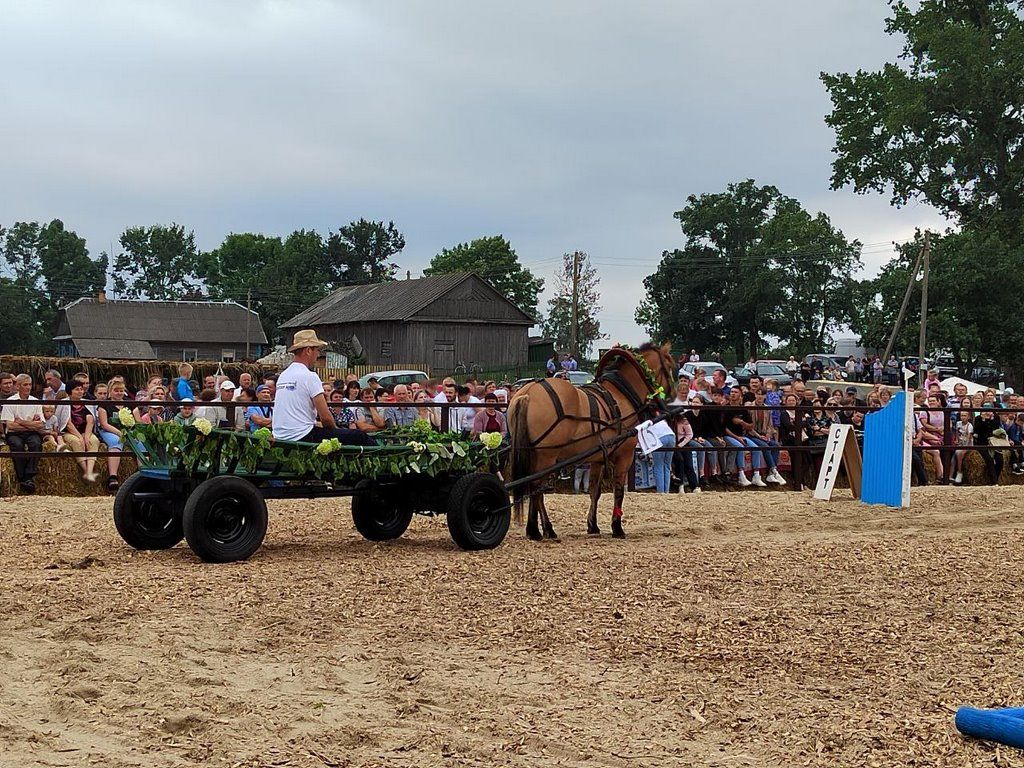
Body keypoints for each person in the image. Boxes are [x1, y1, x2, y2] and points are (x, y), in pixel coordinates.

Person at [272, 330, 374, 445]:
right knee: (358, 436)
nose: (318, 354)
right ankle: (383, 458)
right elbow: (326, 418)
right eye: (317, 350)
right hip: (302, 435)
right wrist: (337, 433)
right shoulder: (309, 376)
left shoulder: (283, 376)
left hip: (281, 435)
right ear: (308, 350)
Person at [2, 374, 46, 493]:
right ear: (18, 386)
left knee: (36, 444)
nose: (28, 387)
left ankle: (28, 476)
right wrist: (31, 424)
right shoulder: (10, 402)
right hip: (15, 433)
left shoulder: (35, 401)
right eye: (25, 385)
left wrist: (21, 421)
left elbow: (41, 424)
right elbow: (10, 425)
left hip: (30, 433)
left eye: (29, 384)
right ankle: (23, 477)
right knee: (16, 445)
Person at [97, 378, 131, 492]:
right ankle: (113, 477)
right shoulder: (104, 405)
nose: (119, 393)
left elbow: (136, 420)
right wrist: (119, 433)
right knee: (116, 441)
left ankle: (143, 475)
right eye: (116, 390)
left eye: (121, 390)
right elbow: (104, 424)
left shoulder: (130, 403)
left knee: (140, 444)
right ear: (110, 391)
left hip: (128, 431)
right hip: (109, 431)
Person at [63, 380, 99, 482]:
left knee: (93, 441)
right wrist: (80, 437)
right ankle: (85, 470)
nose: (80, 391)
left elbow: (90, 421)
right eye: (76, 389)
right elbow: (68, 423)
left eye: (81, 389)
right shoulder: (64, 403)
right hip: (70, 432)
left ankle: (89, 471)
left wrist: (86, 436)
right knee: (76, 442)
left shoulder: (87, 403)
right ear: (70, 391)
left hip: (85, 431)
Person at [951, 409, 974, 485]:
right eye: (961, 415)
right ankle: (950, 476)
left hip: (967, 444)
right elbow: (957, 434)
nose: (963, 417)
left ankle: (959, 472)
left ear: (968, 417)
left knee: (958, 453)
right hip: (959, 444)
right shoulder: (958, 423)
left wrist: (964, 445)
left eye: (965, 416)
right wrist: (956, 441)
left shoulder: (970, 426)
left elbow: (968, 438)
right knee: (953, 457)